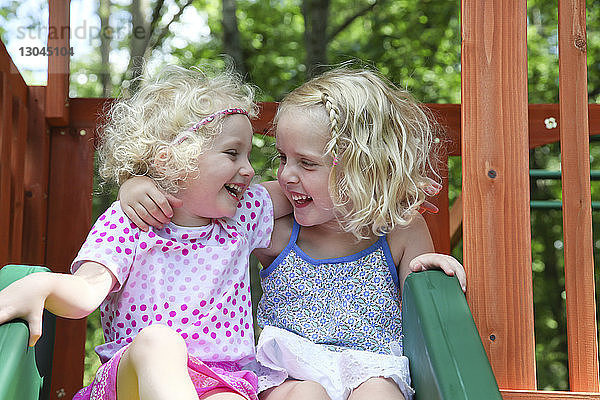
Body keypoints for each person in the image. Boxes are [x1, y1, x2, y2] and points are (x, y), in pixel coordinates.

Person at [119, 66, 466, 400]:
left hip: (372, 368)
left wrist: (432, 267)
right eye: (284, 158)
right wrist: (137, 184)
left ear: (364, 169)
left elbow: (425, 315)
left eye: (308, 163)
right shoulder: (275, 228)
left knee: (379, 394)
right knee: (306, 394)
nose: (287, 175)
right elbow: (197, 200)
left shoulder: (401, 232)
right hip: (289, 373)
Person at [0, 64, 289, 400]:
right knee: (159, 342)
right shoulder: (130, 222)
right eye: (232, 153)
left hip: (222, 382)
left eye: (248, 155)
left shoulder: (242, 214)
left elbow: (302, 189)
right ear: (171, 160)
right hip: (133, 380)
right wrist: (44, 285)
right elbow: (86, 292)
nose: (249, 169)